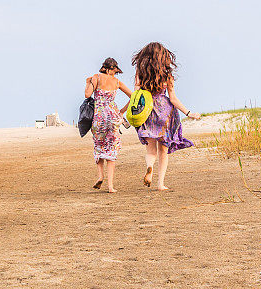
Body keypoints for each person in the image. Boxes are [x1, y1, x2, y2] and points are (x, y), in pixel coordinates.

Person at [131, 42, 201, 190]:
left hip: (148, 112)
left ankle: (149, 167)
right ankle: (160, 184)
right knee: (163, 150)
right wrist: (189, 113)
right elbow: (173, 99)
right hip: (165, 113)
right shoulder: (167, 76)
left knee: (151, 150)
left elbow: (136, 94)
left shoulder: (140, 73)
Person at [84, 58, 132, 193]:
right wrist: (122, 111)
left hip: (99, 116)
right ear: (114, 70)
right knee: (111, 149)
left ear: (104, 68)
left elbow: (87, 94)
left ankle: (100, 176)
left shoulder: (96, 77)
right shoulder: (117, 82)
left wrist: (87, 83)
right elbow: (133, 96)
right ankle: (110, 186)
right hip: (113, 116)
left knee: (99, 145)